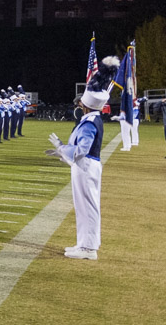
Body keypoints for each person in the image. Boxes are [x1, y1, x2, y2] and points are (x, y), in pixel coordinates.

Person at [46, 55, 119, 260]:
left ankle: (88, 248)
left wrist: (61, 148)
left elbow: (82, 149)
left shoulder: (88, 122)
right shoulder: (92, 118)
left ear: (85, 105)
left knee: (87, 206)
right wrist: (62, 153)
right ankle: (84, 244)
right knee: (84, 206)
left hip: (86, 166)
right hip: (86, 166)